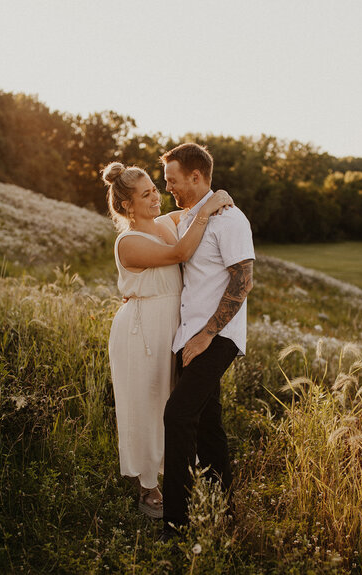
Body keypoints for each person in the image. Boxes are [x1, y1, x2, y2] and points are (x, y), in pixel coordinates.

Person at [102, 161, 233, 519]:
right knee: (144, 404)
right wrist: (207, 208)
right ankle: (147, 487)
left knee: (171, 404)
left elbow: (188, 210)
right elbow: (180, 254)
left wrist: (216, 197)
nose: (156, 198)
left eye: (155, 189)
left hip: (171, 327)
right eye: (145, 195)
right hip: (140, 330)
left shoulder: (164, 223)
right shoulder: (127, 242)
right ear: (128, 205)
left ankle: (179, 475)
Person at [159, 143, 255, 540]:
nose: (169, 189)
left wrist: (207, 334)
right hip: (191, 335)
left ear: (196, 177)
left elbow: (243, 280)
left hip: (216, 337)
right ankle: (224, 510)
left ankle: (175, 525)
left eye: (172, 181)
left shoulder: (230, 221)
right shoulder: (190, 218)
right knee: (208, 426)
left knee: (178, 416)